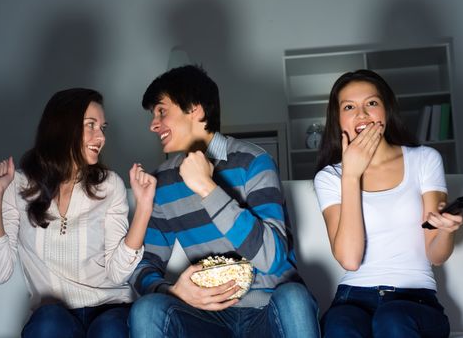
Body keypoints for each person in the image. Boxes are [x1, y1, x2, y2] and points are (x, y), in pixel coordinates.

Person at [128, 65, 320, 337]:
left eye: (161, 111)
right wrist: (171, 290)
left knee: (295, 298)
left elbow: (273, 258)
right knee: (147, 308)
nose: (153, 124)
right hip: (206, 317)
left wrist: (208, 188)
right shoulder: (164, 181)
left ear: (195, 109)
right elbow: (144, 264)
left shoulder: (254, 161)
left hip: (269, 307)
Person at [0, 88, 156, 337]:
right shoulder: (17, 187)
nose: (101, 137)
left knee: (110, 331)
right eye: (91, 125)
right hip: (53, 313)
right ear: (63, 128)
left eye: (102, 128)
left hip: (111, 308)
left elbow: (118, 273)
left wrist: (144, 207)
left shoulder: (110, 185)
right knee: (48, 324)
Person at [313, 69, 463, 337]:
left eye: (371, 103)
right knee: (339, 326)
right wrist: (351, 175)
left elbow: (436, 255)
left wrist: (446, 230)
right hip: (352, 298)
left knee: (391, 319)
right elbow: (349, 259)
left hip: (414, 301)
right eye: (349, 107)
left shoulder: (424, 159)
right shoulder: (330, 177)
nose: (362, 114)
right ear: (338, 119)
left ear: (386, 110)